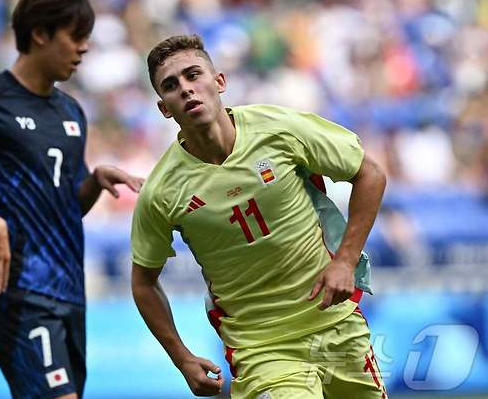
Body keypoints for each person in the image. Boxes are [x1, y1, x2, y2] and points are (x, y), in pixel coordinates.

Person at [130, 34, 388, 399]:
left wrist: (345, 260)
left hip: (335, 325)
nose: (186, 89)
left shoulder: (277, 128)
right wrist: (182, 358)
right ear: (164, 108)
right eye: (171, 86)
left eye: (193, 75)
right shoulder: (162, 190)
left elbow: (369, 173)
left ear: (219, 81)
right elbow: (143, 281)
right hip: (260, 348)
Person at [0, 0, 143, 399]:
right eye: (75, 37)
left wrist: (94, 182)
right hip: (17, 289)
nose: (83, 49)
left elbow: (64, 209)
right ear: (40, 33)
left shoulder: (71, 111)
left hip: (69, 291)